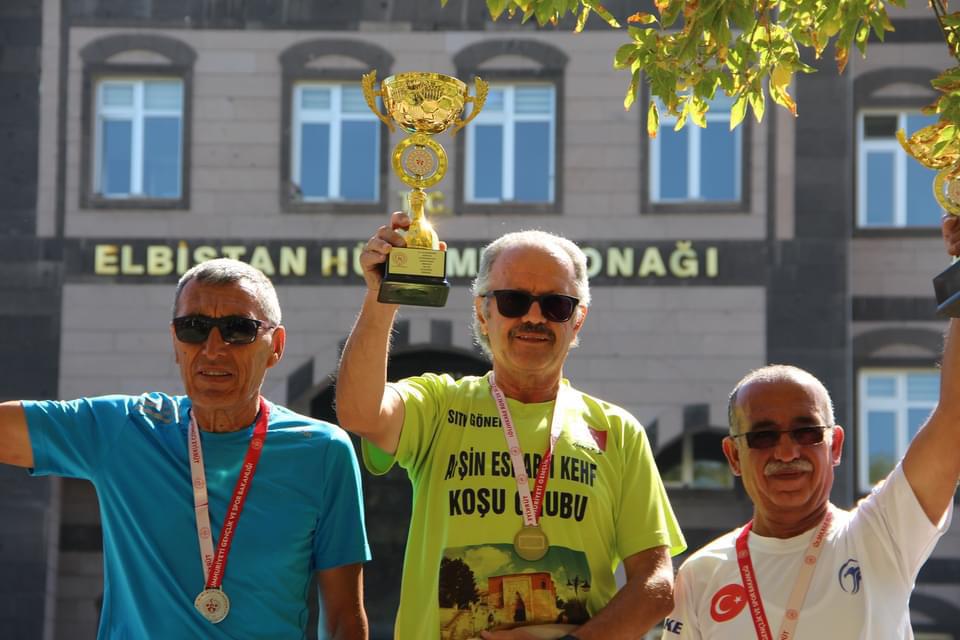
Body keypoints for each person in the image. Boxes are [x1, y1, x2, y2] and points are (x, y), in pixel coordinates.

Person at [336, 212, 686, 640]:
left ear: (578, 320)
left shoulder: (618, 430)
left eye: (556, 305)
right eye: (513, 301)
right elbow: (358, 412)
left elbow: (656, 585)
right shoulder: (439, 404)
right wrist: (381, 296)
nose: (533, 317)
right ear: (483, 312)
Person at [0, 258, 371, 639]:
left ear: (275, 346)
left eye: (238, 329)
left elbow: (344, 618)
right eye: (193, 328)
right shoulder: (125, 428)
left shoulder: (322, 452)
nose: (213, 348)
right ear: (175, 342)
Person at [661, 219, 960, 639]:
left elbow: (954, 418)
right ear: (733, 455)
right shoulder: (701, 575)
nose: (787, 452)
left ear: (834, 444)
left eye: (806, 433)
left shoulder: (880, 535)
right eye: (763, 436)